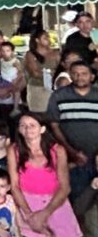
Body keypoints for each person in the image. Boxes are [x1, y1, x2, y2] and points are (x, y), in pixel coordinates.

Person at [46, 61, 98, 227]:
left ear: (92, 76)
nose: (79, 77)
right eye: (75, 73)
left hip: (96, 155)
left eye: (84, 73)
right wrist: (72, 152)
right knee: (74, 193)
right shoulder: (59, 95)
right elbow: (54, 126)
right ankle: (74, 230)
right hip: (70, 156)